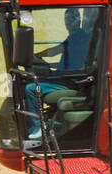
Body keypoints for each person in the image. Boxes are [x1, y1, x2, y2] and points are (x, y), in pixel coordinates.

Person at [24, 8, 94, 140]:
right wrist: (46, 63)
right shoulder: (76, 36)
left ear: (78, 20)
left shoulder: (78, 37)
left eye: (72, 19)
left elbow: (56, 50)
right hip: (63, 78)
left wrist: (36, 56)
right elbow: (65, 57)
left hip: (70, 82)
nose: (69, 22)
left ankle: (38, 126)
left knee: (30, 89)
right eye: (66, 19)